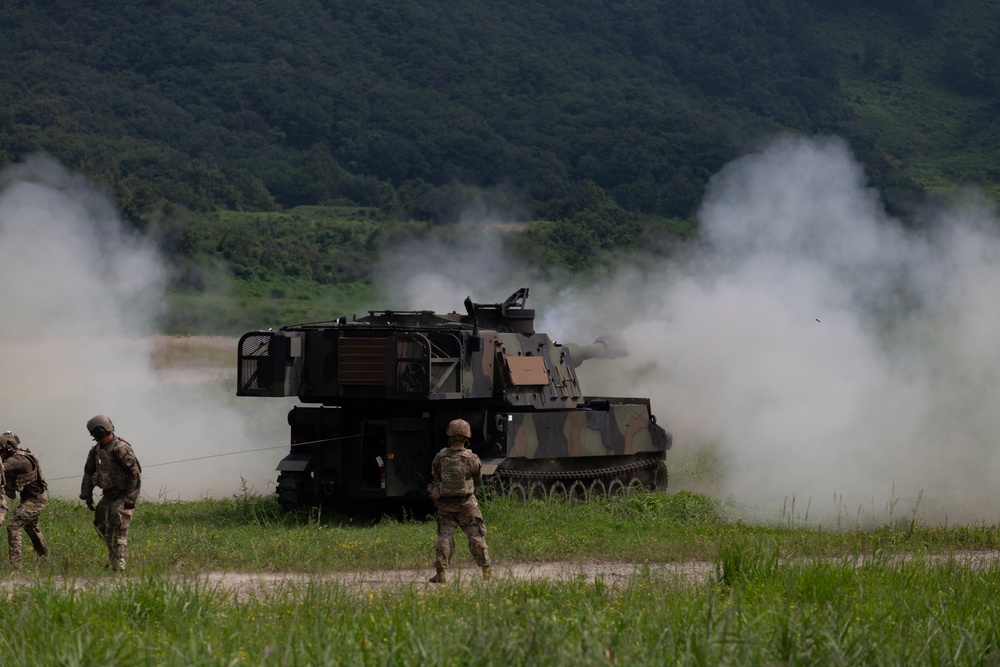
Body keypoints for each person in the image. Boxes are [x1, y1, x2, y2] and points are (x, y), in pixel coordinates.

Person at [427, 418, 492, 584]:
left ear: (449, 436)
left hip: (446, 506)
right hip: (467, 505)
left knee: (445, 538)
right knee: (476, 536)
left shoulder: (440, 456)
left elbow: (436, 474)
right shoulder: (472, 457)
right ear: (467, 437)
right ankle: (487, 571)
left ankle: (441, 574)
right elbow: (477, 478)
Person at [80, 415, 141, 571]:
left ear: (101, 430)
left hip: (123, 494)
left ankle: (119, 565)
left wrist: (131, 498)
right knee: (100, 524)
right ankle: (114, 556)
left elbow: (135, 473)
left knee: (119, 527)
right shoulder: (96, 450)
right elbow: (89, 471)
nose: (93, 436)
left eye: (94, 432)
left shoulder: (120, 448)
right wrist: (86, 493)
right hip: (108, 494)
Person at [0, 431, 49, 568]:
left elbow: (2, 468)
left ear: (8, 447)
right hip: (31, 499)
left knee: (14, 525)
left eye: (1, 450)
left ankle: (16, 564)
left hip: (35, 500)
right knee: (30, 527)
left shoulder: (18, 460)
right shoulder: (17, 457)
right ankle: (44, 557)